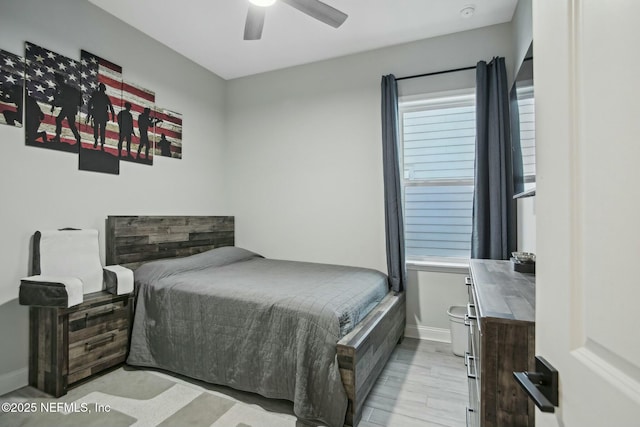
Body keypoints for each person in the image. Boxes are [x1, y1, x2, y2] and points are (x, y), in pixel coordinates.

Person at [50, 74, 82, 145]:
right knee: (60, 120)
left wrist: (56, 103)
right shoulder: (63, 88)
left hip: (69, 109)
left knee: (70, 124)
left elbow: (65, 100)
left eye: (58, 80)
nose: (57, 81)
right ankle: (58, 137)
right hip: (68, 108)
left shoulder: (66, 88)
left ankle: (78, 139)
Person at [87, 83, 115, 150]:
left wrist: (113, 115)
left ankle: (100, 143)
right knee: (99, 129)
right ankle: (98, 142)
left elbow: (110, 106)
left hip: (100, 114)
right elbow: (90, 103)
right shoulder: (99, 95)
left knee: (100, 129)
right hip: (99, 114)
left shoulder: (101, 96)